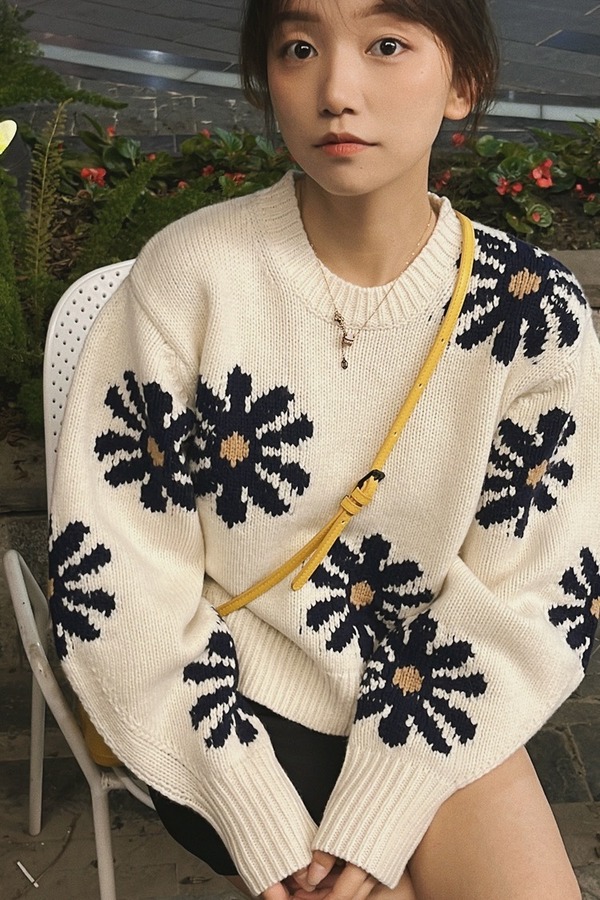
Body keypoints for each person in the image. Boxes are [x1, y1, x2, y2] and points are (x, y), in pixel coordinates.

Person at [48, 0, 600, 898]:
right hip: (228, 694)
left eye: (387, 44)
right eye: (299, 48)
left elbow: (533, 590)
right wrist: (246, 801)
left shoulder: (532, 312)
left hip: (434, 687)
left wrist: (395, 790)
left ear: (463, 82)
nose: (337, 89)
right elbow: (117, 574)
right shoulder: (189, 277)